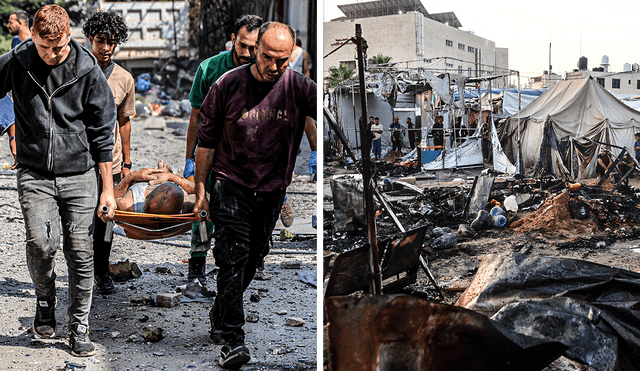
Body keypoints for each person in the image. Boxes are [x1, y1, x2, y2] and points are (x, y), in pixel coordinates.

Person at [193, 21, 316, 369]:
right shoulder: (228, 85)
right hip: (230, 183)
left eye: (282, 60)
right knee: (232, 256)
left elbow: (317, 120)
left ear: (292, 55)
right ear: (255, 50)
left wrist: (320, 149)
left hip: (273, 189)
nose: (273, 66)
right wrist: (201, 191)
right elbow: (206, 143)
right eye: (267, 57)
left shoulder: (300, 87)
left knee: (252, 258)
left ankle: (221, 310)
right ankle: (234, 338)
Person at [0, 5, 116, 357]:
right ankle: (45, 302)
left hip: (80, 174)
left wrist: (108, 188)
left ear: (69, 35)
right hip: (34, 171)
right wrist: (8, 127)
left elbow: (102, 129)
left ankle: (79, 324)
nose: (53, 55)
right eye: (45, 47)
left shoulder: (86, 68)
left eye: (60, 46)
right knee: (40, 244)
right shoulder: (17, 61)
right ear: (32, 36)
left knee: (81, 251)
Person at [183, 14, 263, 283]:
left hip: (248, 154)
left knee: (249, 209)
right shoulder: (209, 69)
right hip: (212, 150)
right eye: (243, 45)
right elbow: (196, 116)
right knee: (203, 206)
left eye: (255, 47)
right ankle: (197, 263)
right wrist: (189, 158)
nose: (248, 53)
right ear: (232, 39)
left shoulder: (264, 73)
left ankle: (250, 261)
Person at [82, 10, 136, 296]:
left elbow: (124, 121)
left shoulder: (124, 79)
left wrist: (127, 162)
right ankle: (80, 274)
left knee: (106, 217)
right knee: (78, 220)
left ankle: (101, 272)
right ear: (90, 38)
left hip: (111, 162)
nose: (106, 48)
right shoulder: (77, 70)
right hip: (78, 160)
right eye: (101, 40)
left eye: (112, 42)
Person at [4, 9, 31, 166]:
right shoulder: (15, 41)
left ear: (20, 23)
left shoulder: (34, 42)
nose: (8, 25)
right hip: (17, 94)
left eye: (10, 22)